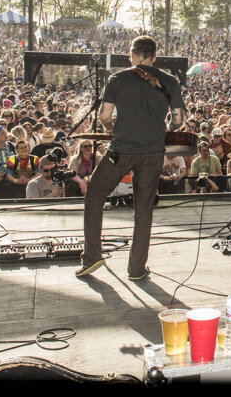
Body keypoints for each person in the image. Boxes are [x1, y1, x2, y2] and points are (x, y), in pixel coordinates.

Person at [77, 36, 184, 281]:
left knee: (95, 193)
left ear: (131, 54)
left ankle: (92, 256)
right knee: (144, 208)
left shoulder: (117, 79)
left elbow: (104, 116)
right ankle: (136, 269)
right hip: (153, 152)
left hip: (121, 151)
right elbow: (178, 120)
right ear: (155, 57)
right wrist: (160, 126)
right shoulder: (170, 81)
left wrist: (114, 126)